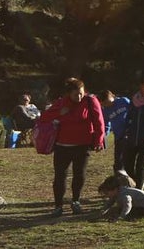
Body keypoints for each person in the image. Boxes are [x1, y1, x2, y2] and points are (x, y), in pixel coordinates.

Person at [40, 77, 105, 217]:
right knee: (60, 176)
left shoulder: (90, 101)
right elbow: (44, 118)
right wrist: (59, 113)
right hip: (62, 146)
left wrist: (99, 140)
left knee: (79, 174)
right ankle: (58, 206)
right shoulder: (61, 103)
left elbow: (99, 121)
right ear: (69, 93)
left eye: (81, 93)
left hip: (82, 146)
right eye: (76, 94)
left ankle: (76, 201)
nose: (79, 97)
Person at [100, 90, 131, 172]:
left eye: (109, 102)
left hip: (129, 133)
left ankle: (129, 176)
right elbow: (106, 125)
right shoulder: (105, 111)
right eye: (105, 104)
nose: (108, 105)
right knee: (118, 159)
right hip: (118, 135)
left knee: (126, 157)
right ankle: (119, 176)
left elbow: (134, 112)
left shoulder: (124, 101)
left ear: (113, 97)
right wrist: (103, 137)